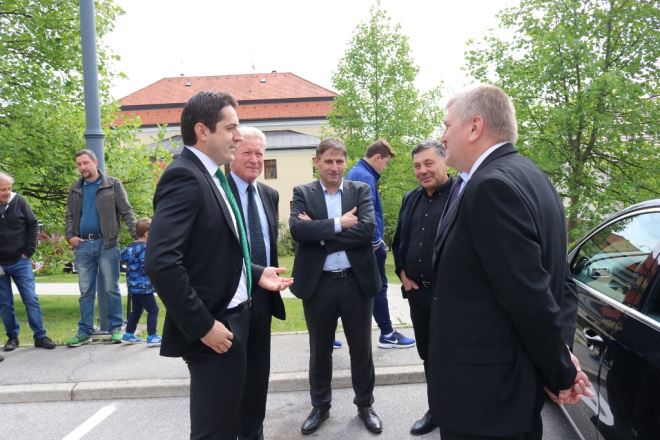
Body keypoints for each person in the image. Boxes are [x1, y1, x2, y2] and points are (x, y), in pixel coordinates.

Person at [428, 84, 591, 440]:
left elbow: (529, 296)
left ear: (474, 127)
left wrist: (560, 372)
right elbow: (560, 281)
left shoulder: (491, 187)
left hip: (485, 399)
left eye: (447, 125)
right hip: (506, 391)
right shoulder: (534, 177)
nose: (442, 136)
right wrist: (561, 359)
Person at [144, 91, 292, 440]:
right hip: (215, 329)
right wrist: (203, 326)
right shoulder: (184, 177)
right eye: (230, 128)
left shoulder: (211, 176)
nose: (238, 137)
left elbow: (214, 251)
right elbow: (161, 262)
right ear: (202, 131)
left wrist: (256, 273)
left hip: (237, 318)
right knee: (215, 431)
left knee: (236, 418)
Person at [289, 138, 383, 435]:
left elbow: (367, 230)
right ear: (316, 162)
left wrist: (320, 236)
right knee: (319, 351)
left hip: (356, 282)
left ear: (346, 162)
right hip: (319, 286)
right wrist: (340, 223)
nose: (334, 167)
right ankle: (320, 406)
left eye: (339, 161)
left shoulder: (360, 190)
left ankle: (365, 405)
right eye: (328, 161)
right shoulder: (302, 192)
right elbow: (297, 230)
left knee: (361, 349)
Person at [226, 126, 286, 440]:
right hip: (228, 301)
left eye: (260, 154)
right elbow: (219, 251)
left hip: (262, 299)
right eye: (247, 152)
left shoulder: (269, 194)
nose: (254, 160)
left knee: (258, 374)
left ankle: (253, 432)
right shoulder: (217, 191)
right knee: (230, 377)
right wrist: (256, 271)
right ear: (231, 154)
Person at [391, 141, 454, 435]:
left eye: (429, 163)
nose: (422, 170)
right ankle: (436, 410)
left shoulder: (461, 196)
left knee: (454, 356)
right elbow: (399, 239)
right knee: (428, 356)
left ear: (445, 163)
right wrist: (402, 273)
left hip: (451, 297)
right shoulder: (410, 198)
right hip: (419, 295)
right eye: (417, 165)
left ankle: (460, 412)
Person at [345, 140, 415, 349]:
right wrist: (376, 240)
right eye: (385, 162)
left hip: (361, 243)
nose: (385, 167)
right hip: (369, 245)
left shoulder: (357, 172)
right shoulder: (365, 176)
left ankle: (328, 334)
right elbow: (367, 213)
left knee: (358, 289)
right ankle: (387, 334)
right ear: (377, 158)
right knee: (378, 287)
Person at [65, 149, 137, 347]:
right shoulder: (75, 189)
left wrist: (138, 238)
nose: (82, 167)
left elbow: (127, 212)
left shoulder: (112, 185)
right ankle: (84, 331)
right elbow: (69, 216)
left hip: (107, 245)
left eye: (85, 162)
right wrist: (70, 236)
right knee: (85, 292)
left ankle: (116, 329)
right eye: (79, 164)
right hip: (82, 246)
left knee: (111, 288)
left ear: (95, 162)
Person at [0, 172, 56, 351]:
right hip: (0, 265)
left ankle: (40, 336)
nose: (7, 192)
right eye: (2, 189)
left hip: (20, 261)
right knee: (5, 304)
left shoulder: (19, 201)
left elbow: (33, 225)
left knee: (31, 299)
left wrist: (28, 252)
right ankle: (12, 337)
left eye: (9, 188)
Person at [120, 217, 161, 347]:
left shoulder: (130, 247)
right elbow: (147, 266)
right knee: (153, 309)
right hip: (144, 287)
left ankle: (128, 334)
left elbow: (123, 260)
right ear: (147, 234)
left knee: (137, 310)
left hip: (133, 287)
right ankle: (152, 336)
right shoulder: (145, 249)